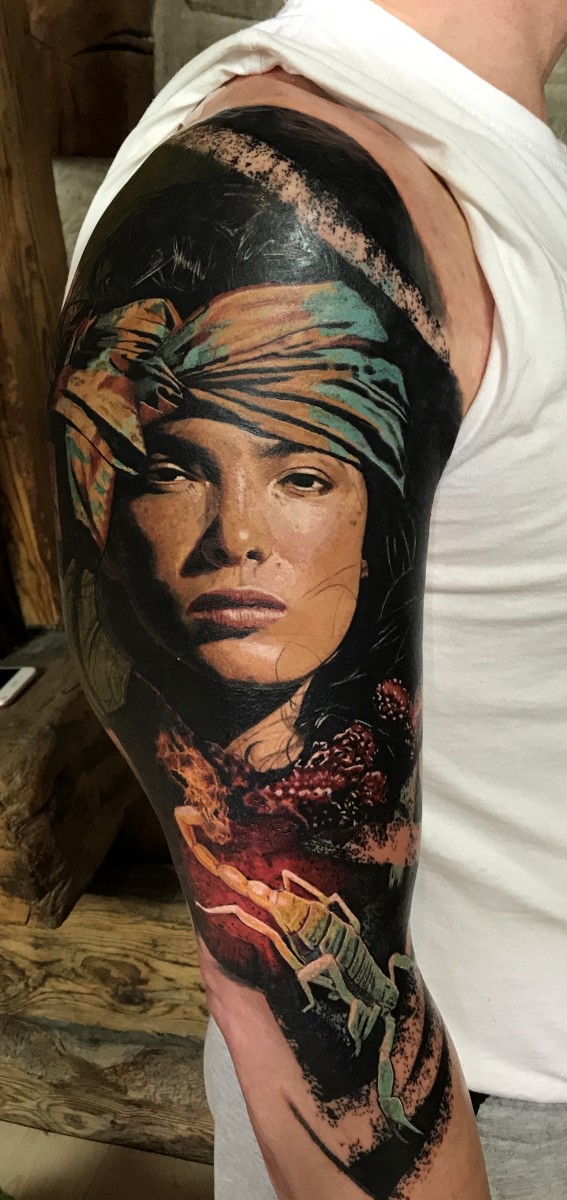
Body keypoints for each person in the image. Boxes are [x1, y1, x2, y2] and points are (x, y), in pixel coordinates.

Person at [49, 1, 567, 1197]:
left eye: (300, 476)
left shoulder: (486, 154)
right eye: (178, 469)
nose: (236, 539)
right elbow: (291, 1009)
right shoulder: (297, 201)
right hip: (477, 1125)